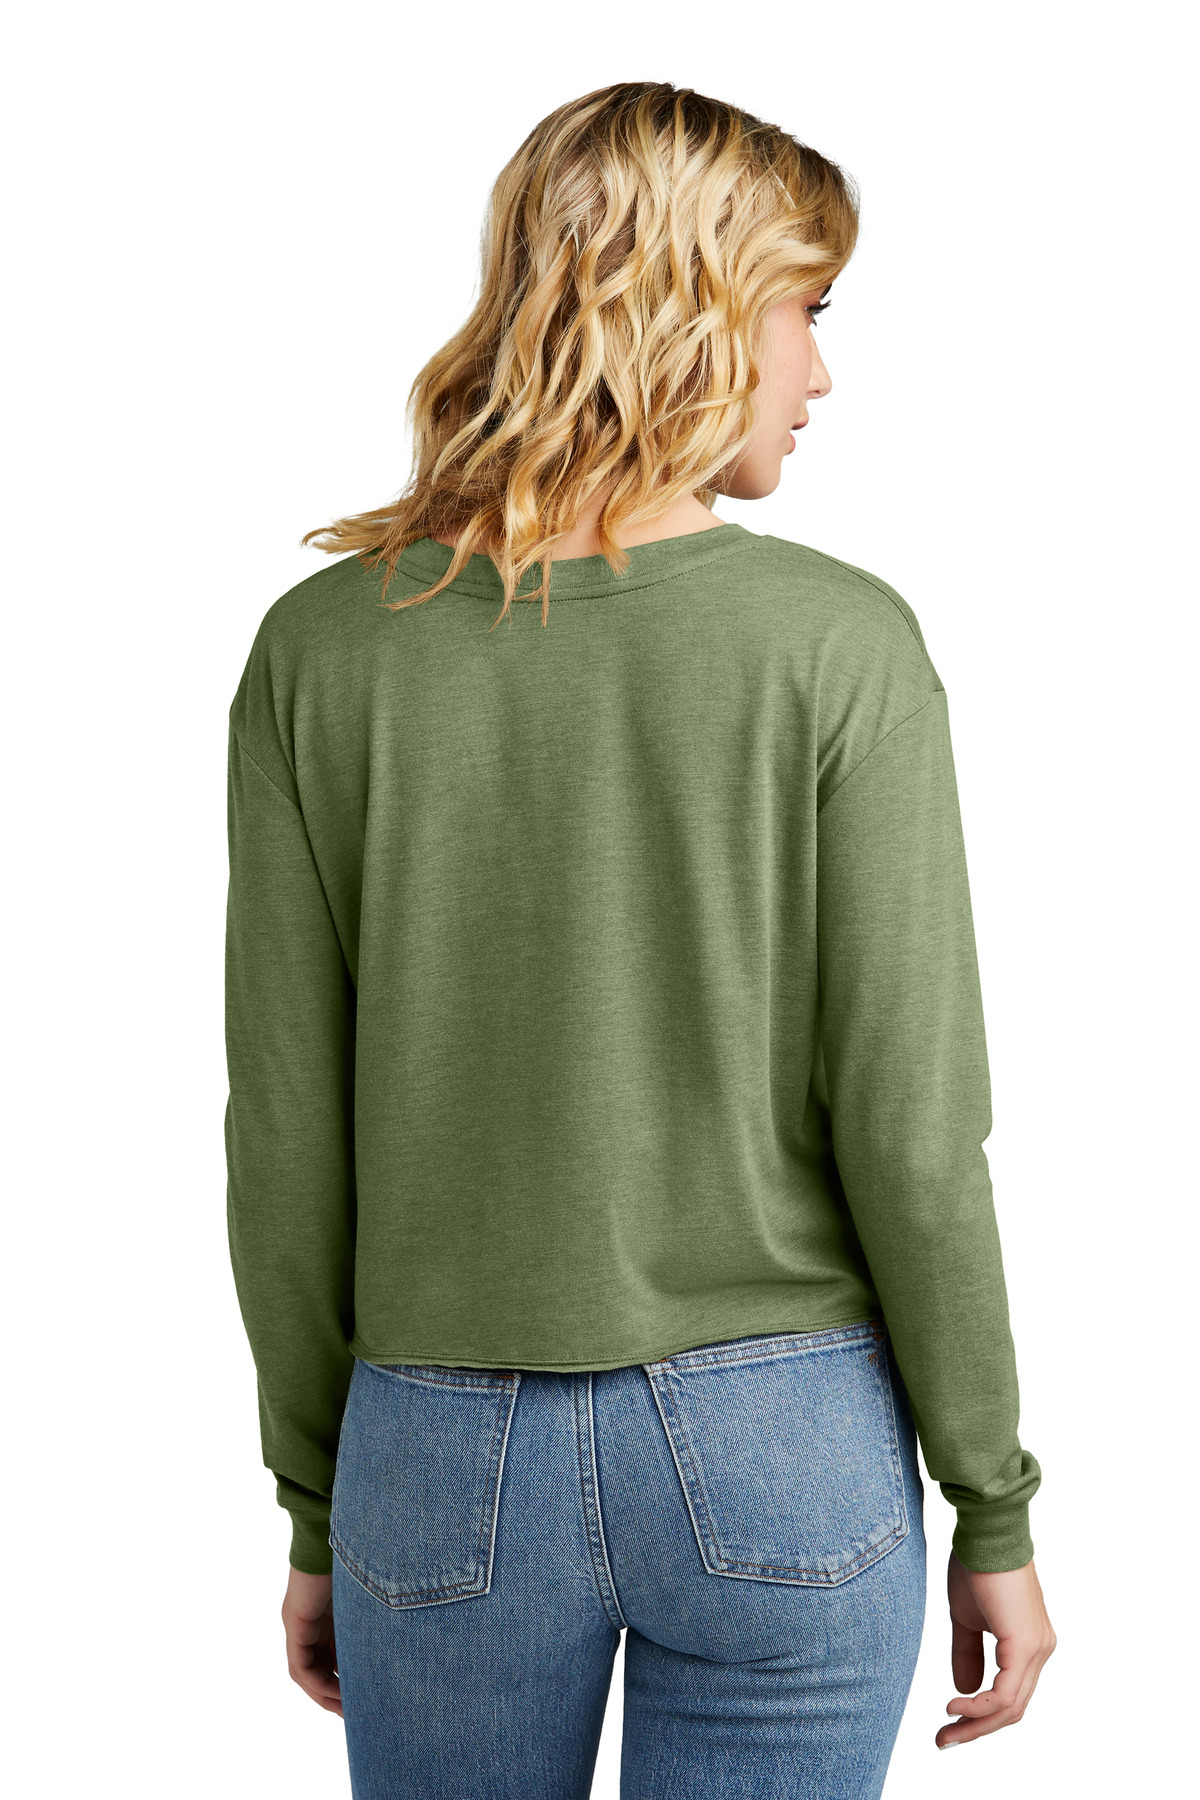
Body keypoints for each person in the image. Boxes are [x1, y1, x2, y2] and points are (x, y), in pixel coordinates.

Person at [224, 80, 1055, 1799]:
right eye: (806, 310)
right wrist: (993, 1499)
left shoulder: (326, 652)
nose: (820, 376)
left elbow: (286, 1137)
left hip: (438, 1458)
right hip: (787, 1445)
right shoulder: (835, 647)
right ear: (694, 303)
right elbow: (913, 1129)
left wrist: (321, 1499)